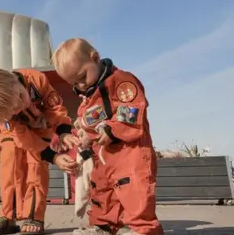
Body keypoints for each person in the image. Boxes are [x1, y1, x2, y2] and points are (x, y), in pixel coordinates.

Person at [51, 38, 164, 235]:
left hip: (131, 152)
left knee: (134, 190)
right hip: (103, 155)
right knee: (101, 188)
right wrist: (82, 130)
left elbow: (132, 108)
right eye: (74, 83)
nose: (80, 84)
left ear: (95, 57)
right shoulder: (89, 94)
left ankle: (144, 229)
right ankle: (103, 225)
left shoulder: (122, 80)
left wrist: (111, 130)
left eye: (82, 76)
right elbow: (89, 118)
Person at [0, 67, 78, 235]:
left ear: (14, 80)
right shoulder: (6, 118)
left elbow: (55, 108)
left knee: (36, 168)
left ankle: (34, 216)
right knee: (9, 166)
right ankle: (8, 217)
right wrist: (54, 157)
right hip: (14, 131)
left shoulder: (36, 80)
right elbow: (27, 142)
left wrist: (63, 132)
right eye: (14, 109)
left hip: (41, 127)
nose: (23, 104)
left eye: (21, 96)